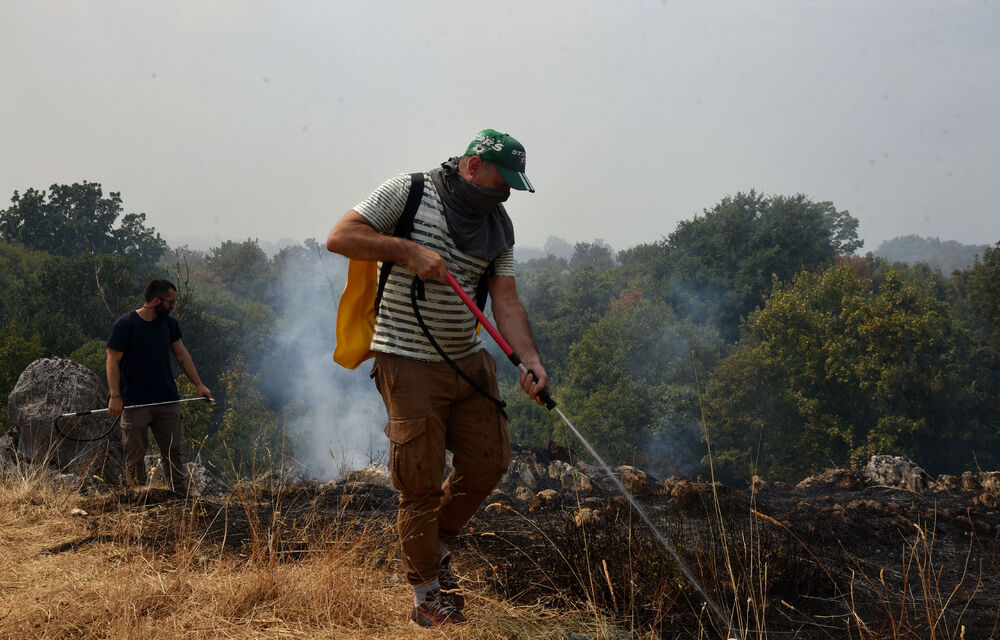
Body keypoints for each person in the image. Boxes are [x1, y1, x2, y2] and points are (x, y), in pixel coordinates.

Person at [326, 129, 550, 627]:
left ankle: (437, 543)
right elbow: (340, 237)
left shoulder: (499, 225)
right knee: (420, 481)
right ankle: (428, 593)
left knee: (489, 462)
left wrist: (530, 360)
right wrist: (408, 252)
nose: (506, 192)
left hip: (467, 360)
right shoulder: (408, 191)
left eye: (513, 184)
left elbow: (506, 300)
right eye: (500, 179)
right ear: (472, 165)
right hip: (406, 360)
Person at [106, 279, 211, 494]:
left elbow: (181, 355)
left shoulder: (169, 323)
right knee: (135, 455)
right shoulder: (125, 325)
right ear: (156, 300)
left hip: (167, 401)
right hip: (135, 402)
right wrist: (115, 396)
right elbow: (112, 360)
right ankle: (139, 499)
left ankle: (179, 497)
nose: (173, 306)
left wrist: (199, 385)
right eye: (170, 302)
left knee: (173, 452)